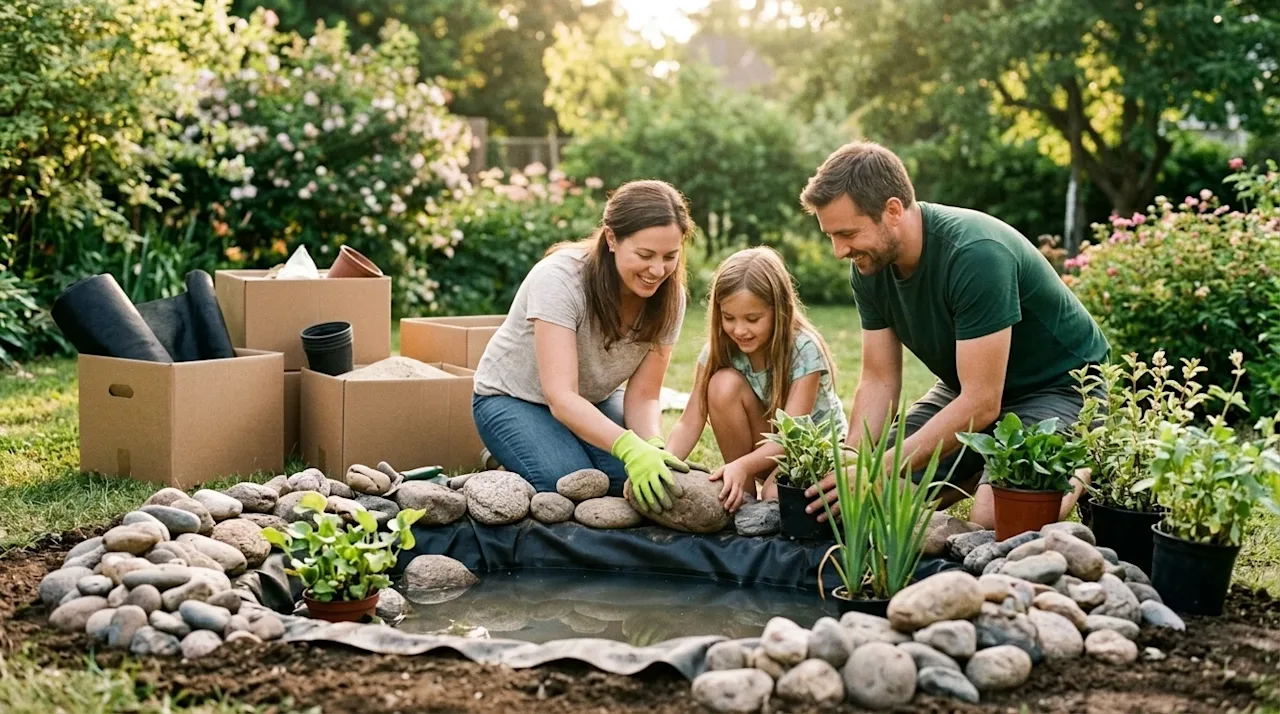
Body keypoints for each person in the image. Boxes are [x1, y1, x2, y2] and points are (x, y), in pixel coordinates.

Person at [798, 142, 1110, 528]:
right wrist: (852, 465)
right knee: (874, 497)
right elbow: (879, 380)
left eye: (847, 233)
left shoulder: (975, 253)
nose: (838, 250)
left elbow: (983, 403)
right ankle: (973, 468)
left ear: (892, 211)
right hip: (964, 389)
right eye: (831, 235)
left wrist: (880, 470)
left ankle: (1084, 456)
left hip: (1060, 388)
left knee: (995, 517)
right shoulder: (870, 267)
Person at [471, 180, 692, 514]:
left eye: (670, 256)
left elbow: (644, 395)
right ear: (612, 239)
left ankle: (548, 447)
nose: (657, 270)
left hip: (594, 400)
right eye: (645, 255)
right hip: (513, 399)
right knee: (573, 485)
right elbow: (560, 396)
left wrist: (651, 445)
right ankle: (506, 454)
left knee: (634, 485)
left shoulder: (670, 299)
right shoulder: (559, 280)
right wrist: (628, 448)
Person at [664, 247, 846, 513]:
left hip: (812, 453)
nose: (739, 330)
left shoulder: (804, 351)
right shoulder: (719, 352)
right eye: (728, 318)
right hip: (765, 450)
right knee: (721, 384)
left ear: (779, 311)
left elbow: (791, 440)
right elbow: (690, 419)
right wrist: (665, 463)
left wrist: (743, 465)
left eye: (752, 319)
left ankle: (748, 484)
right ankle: (743, 497)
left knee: (775, 496)